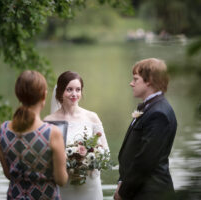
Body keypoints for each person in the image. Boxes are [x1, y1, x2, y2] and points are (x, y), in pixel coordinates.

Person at [0, 70, 68, 199]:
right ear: (44, 95)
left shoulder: (3, 130)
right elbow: (61, 180)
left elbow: (8, 174)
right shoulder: (52, 133)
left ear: (18, 95)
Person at [114, 58, 177, 200]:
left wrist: (123, 192)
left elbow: (146, 161)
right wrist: (122, 181)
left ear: (149, 81)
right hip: (139, 190)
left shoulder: (158, 113)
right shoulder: (150, 108)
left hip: (151, 193)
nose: (131, 83)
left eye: (135, 79)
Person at [44, 71, 109, 200]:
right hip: (65, 185)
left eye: (78, 90)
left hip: (89, 185)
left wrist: (88, 164)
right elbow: (46, 157)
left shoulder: (92, 117)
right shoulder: (49, 121)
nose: (74, 94)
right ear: (60, 91)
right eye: (69, 90)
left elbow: (105, 153)